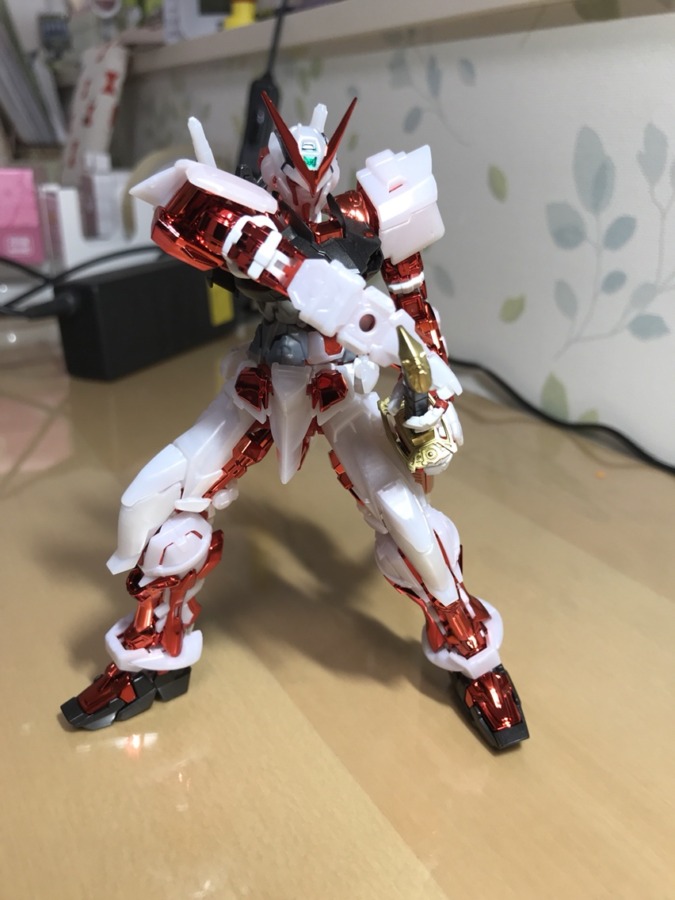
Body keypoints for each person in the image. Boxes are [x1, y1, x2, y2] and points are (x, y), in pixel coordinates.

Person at [61, 95, 528, 749]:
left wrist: (426, 388)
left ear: (332, 169)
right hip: (259, 387)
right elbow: (180, 225)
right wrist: (250, 244)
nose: (306, 189)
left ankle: (473, 657)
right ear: (270, 169)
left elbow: (413, 306)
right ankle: (149, 656)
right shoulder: (241, 215)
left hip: (338, 387)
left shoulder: (369, 216)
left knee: (414, 529)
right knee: (160, 511)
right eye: (290, 175)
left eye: (318, 173)